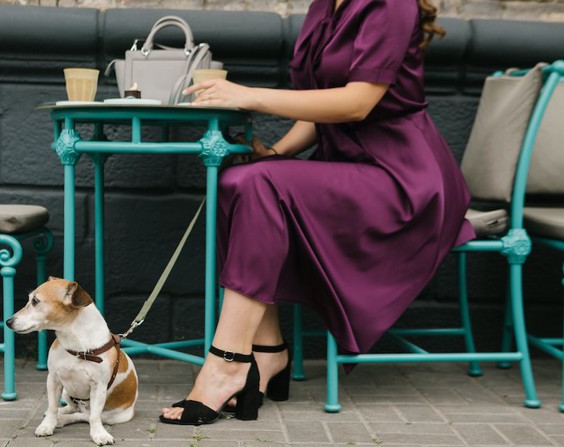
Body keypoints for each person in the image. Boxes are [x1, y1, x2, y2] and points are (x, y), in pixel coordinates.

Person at [160, 0, 475, 425]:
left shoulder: (391, 4)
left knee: (261, 185)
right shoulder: (324, 6)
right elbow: (319, 105)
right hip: (353, 168)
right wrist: (273, 153)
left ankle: (227, 364)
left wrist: (249, 95)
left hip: (404, 179)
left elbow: (356, 103)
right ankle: (268, 353)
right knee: (240, 179)